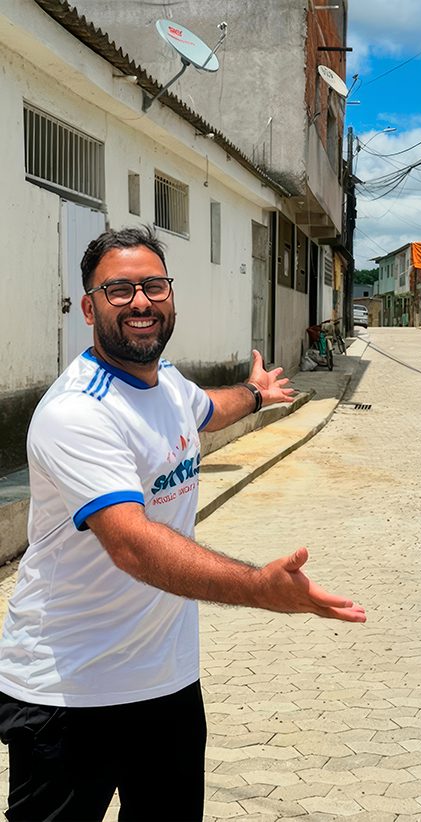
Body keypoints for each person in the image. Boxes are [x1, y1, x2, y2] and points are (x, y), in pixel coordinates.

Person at [0, 226, 366, 820]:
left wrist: (253, 392)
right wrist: (258, 588)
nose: (140, 302)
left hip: (167, 685)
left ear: (171, 297)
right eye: (119, 291)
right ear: (89, 307)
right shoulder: (78, 413)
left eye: (154, 286)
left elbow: (204, 410)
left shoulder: (166, 381)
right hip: (69, 693)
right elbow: (134, 547)